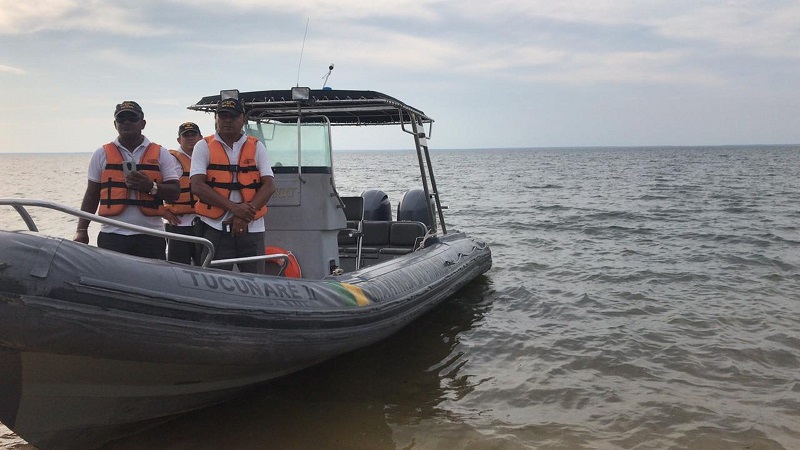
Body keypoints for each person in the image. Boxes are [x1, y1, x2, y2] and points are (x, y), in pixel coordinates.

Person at [73, 101, 181, 259]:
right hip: (112, 235)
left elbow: (175, 193)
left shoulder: (161, 153)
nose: (127, 122)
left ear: (142, 123)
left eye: (132, 118)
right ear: (115, 124)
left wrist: (150, 186)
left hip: (151, 236)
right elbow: (91, 195)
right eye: (121, 118)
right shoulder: (101, 154)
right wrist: (82, 230)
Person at [189, 98, 275, 273]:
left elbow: (269, 186)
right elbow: (197, 186)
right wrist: (235, 209)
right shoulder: (203, 146)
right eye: (223, 116)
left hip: (252, 229)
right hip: (214, 228)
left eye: (233, 116)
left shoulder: (257, 147)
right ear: (216, 118)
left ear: (242, 119)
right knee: (213, 281)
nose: (227, 120)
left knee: (256, 281)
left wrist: (245, 216)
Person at [163, 122, 203, 265]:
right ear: (179, 140)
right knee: (177, 268)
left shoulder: (208, 159)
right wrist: (163, 212)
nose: (190, 138)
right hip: (178, 225)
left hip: (205, 224)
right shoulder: (170, 160)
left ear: (201, 138)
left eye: (193, 134)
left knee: (205, 267)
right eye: (186, 135)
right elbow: (154, 188)